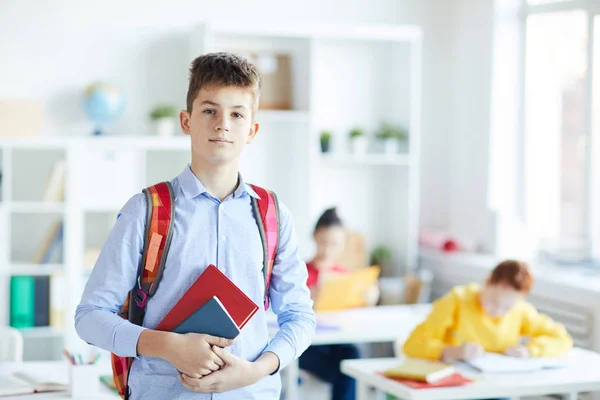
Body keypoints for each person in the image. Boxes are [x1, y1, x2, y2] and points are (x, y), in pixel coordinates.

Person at [75, 52, 316, 400]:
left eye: (237, 114)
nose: (223, 124)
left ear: (252, 130)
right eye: (209, 110)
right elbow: (89, 316)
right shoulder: (145, 212)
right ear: (186, 121)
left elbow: (300, 317)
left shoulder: (273, 215)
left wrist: (256, 370)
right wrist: (168, 346)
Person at [403, 259, 573, 362]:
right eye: (493, 301)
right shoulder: (456, 301)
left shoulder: (520, 311)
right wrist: (455, 351)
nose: (497, 311)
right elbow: (412, 345)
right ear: (487, 282)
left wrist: (530, 350)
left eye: (507, 307)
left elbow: (561, 339)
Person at [299, 207, 379, 400]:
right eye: (323, 242)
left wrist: (370, 299)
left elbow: (355, 315)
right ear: (315, 237)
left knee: (351, 356)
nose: (327, 249)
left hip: (338, 342)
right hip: (308, 346)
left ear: (342, 245)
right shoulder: (299, 273)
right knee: (347, 370)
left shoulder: (346, 277)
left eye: (334, 244)